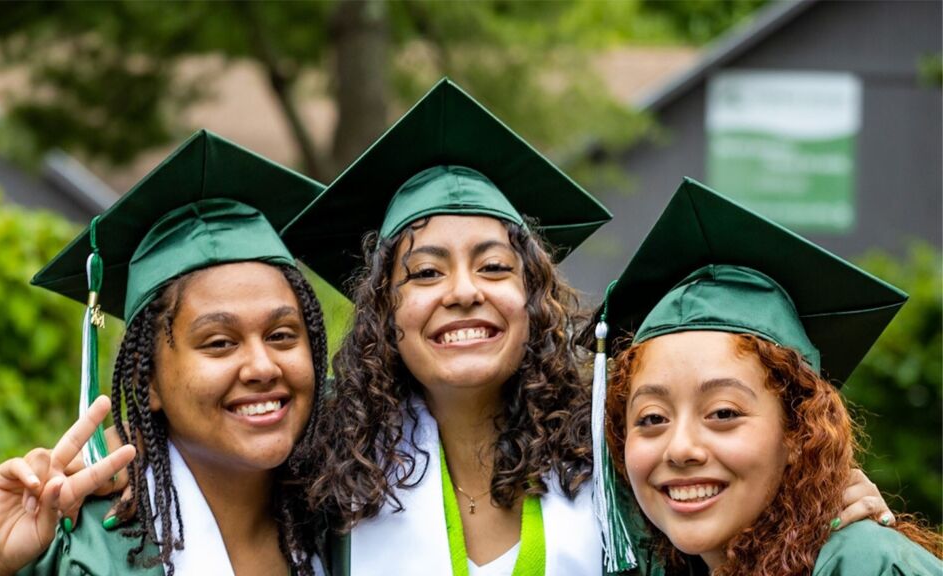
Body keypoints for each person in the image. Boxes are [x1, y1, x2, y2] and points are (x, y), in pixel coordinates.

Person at [283, 80, 894, 576]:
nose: (464, 291)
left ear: (533, 298)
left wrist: (820, 500)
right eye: (423, 272)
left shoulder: (613, 455)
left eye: (494, 266)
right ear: (384, 314)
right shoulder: (328, 475)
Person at [0, 130, 331, 576]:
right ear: (148, 380)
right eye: (219, 343)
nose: (262, 366)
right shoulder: (67, 538)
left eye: (283, 335)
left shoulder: (350, 512)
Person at [596, 178, 942, 575]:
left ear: (798, 432)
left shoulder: (863, 565)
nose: (680, 448)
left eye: (723, 413)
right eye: (652, 418)